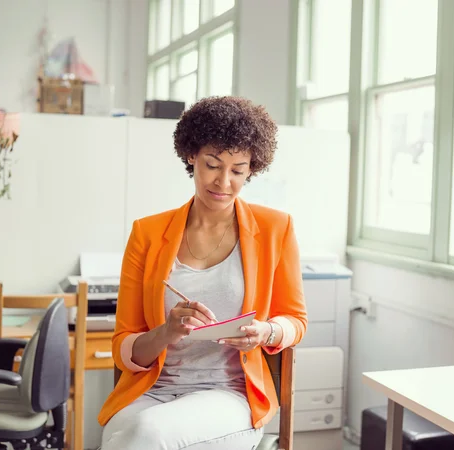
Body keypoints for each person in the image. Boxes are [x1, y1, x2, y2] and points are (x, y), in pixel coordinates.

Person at [98, 96, 308, 449]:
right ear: (191, 155)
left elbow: (296, 321)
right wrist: (166, 332)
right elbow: (123, 345)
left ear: (251, 169)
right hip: (153, 390)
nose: (224, 181)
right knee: (126, 434)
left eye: (238, 170)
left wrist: (266, 331)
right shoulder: (147, 234)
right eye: (213, 164)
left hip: (229, 394)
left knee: (145, 435)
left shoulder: (276, 228)